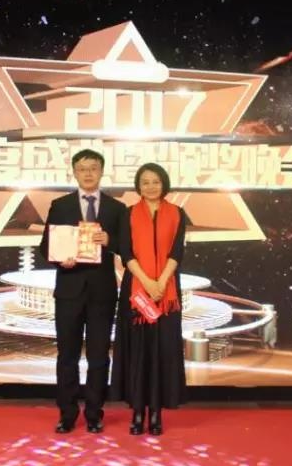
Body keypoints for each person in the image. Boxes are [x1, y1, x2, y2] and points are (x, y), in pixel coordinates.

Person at [38, 149, 125, 434]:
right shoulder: (60, 205)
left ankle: (94, 414)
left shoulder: (116, 208)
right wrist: (59, 259)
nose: (88, 173)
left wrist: (111, 240)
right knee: (67, 356)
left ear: (102, 171)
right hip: (69, 290)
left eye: (93, 168)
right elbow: (45, 247)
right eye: (83, 168)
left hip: (102, 293)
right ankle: (67, 414)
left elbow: (127, 247)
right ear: (74, 172)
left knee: (99, 357)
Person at [111, 162, 188, 435]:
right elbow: (125, 252)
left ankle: (156, 413)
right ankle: (137, 412)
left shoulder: (177, 213)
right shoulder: (128, 214)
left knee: (161, 351)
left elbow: (177, 252)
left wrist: (161, 282)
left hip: (167, 291)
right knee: (138, 351)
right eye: (145, 182)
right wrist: (146, 282)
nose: (151, 186)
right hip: (136, 290)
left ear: (163, 183)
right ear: (138, 186)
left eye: (156, 181)